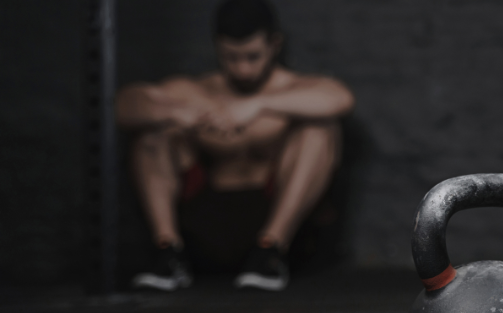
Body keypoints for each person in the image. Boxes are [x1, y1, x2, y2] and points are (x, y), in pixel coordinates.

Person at [116, 0, 354, 292]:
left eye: (253, 57)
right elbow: (124, 105)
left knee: (319, 128)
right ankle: (168, 254)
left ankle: (269, 253)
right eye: (231, 57)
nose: (242, 69)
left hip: (272, 221)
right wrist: (176, 112)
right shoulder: (197, 91)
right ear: (217, 46)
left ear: (274, 45)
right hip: (205, 224)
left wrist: (258, 104)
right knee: (151, 131)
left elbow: (340, 98)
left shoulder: (293, 90)